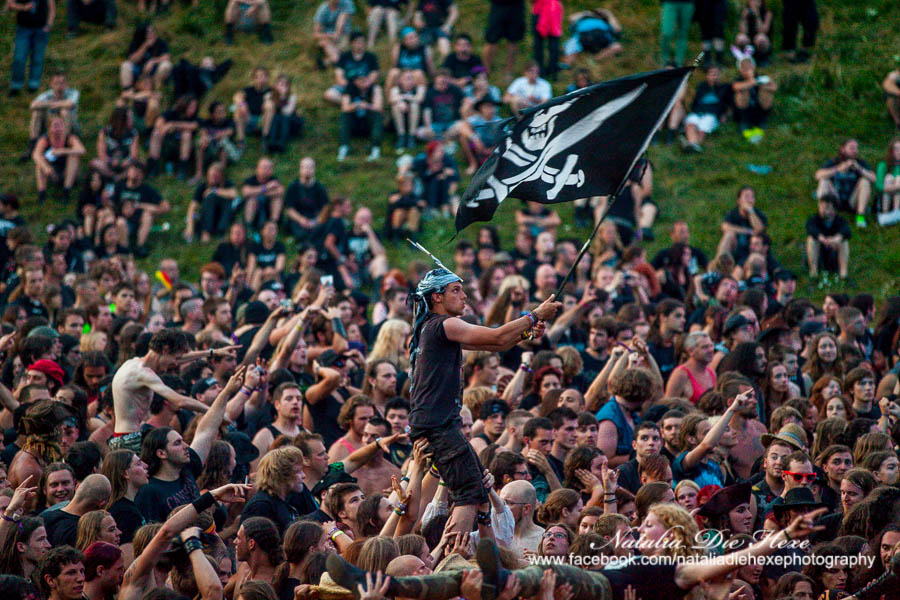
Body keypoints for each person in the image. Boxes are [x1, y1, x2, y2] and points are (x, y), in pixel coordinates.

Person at [406, 259, 561, 535]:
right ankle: (452, 550)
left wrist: (527, 331)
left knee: (477, 486)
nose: (464, 296)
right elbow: (497, 335)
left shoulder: (432, 328)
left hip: (437, 423)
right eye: (456, 290)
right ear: (437, 296)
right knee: (470, 492)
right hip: (439, 425)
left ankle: (462, 547)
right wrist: (535, 315)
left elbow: (493, 344)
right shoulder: (444, 325)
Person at [110, 329, 224, 452]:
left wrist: (212, 352)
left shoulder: (133, 363)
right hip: (129, 439)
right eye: (175, 358)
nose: (176, 364)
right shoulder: (143, 374)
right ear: (165, 350)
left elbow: (177, 358)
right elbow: (180, 401)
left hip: (125, 435)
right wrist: (215, 412)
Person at [26, 71, 79, 160]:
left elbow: (70, 104)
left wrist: (50, 104)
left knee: (65, 112)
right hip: (50, 126)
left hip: (70, 127)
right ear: (51, 84)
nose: (59, 86)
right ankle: (33, 145)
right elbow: (33, 105)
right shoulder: (47, 94)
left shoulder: (73, 92)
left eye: (62, 83)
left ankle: (65, 143)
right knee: (36, 113)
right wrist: (54, 103)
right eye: (56, 83)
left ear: (66, 84)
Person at [32, 117, 85, 204]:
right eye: (55, 125)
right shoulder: (45, 139)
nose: (59, 128)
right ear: (49, 128)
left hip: (69, 172)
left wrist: (63, 151)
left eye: (61, 125)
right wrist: (46, 168)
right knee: (40, 162)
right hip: (52, 172)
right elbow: (35, 154)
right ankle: (42, 192)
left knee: (73, 157)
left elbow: (82, 150)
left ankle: (66, 191)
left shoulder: (70, 138)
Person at [681, 65, 731, 153]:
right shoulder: (701, 87)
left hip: (712, 114)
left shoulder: (725, 88)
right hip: (697, 113)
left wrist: (724, 114)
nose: (714, 77)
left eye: (716, 74)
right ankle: (694, 145)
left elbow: (728, 104)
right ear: (707, 76)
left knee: (702, 129)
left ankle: (691, 144)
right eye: (712, 74)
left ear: (720, 75)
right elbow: (695, 101)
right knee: (690, 125)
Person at [8, 0, 54, 96]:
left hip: (41, 30)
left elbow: (52, 8)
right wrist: (23, 7)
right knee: (19, 58)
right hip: (23, 29)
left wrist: (49, 25)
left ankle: (33, 84)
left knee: (37, 58)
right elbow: (11, 4)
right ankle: (16, 85)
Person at [337, 74, 384, 162]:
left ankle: (375, 149)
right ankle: (343, 148)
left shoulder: (375, 88)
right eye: (361, 80)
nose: (365, 82)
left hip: (368, 123)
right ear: (355, 81)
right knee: (345, 116)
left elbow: (379, 107)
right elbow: (344, 108)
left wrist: (367, 106)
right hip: (354, 123)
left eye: (366, 79)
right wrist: (356, 105)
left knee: (377, 115)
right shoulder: (349, 88)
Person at [731, 57, 776, 142]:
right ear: (740, 70)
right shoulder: (738, 80)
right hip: (744, 111)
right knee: (742, 91)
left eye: (749, 66)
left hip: (760, 108)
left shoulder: (760, 77)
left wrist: (763, 84)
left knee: (766, 91)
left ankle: (758, 133)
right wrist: (751, 81)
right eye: (744, 67)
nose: (748, 69)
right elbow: (736, 87)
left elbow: (774, 87)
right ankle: (748, 133)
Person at [806, 195, 850, 280]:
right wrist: (821, 238)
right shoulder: (814, 219)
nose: (822, 210)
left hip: (834, 252)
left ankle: (843, 272)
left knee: (844, 241)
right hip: (820, 252)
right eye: (821, 207)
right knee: (811, 240)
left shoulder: (840, 221)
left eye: (826, 208)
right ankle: (813, 271)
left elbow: (846, 231)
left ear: (834, 210)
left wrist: (836, 239)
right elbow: (810, 229)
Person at [120, 24, 172, 90]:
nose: (152, 34)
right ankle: (127, 90)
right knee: (126, 65)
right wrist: (145, 46)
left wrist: (153, 61)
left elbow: (167, 57)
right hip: (139, 70)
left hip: (155, 70)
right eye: (149, 32)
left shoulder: (160, 42)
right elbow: (132, 59)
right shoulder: (136, 43)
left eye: (153, 31)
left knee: (166, 65)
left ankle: (158, 89)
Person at [483, 0, 524, 79]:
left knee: (513, 40)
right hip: (498, 6)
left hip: (516, 7)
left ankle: (509, 71)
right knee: (491, 40)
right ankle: (485, 71)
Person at [660, 0, 693, 66]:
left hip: (688, 3)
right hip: (670, 3)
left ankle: (679, 63)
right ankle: (664, 61)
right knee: (666, 33)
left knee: (683, 34)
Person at [875, 138, 900, 225]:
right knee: (889, 178)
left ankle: (896, 212)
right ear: (891, 151)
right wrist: (895, 187)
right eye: (896, 149)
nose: (899, 151)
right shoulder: (883, 165)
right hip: (886, 195)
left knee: (899, 179)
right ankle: (885, 213)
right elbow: (878, 186)